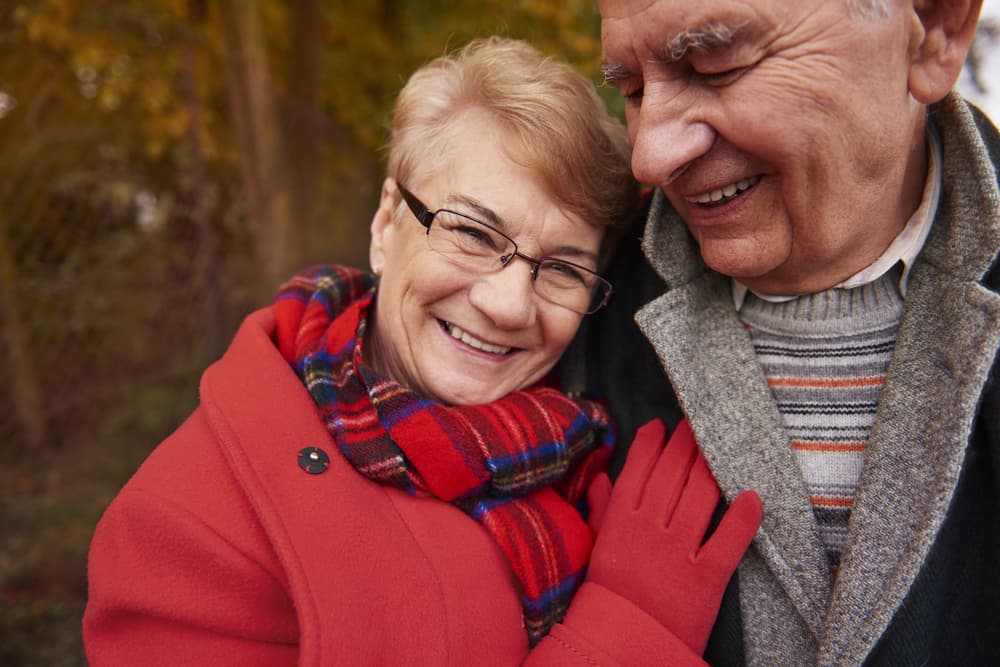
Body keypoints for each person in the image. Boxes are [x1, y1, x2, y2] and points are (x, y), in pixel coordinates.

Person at [84, 37, 762, 666]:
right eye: (470, 231)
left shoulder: (580, 445)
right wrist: (625, 628)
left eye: (561, 268)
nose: (507, 303)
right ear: (386, 223)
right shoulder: (185, 531)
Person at [571, 0, 1000, 664]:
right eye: (629, 89)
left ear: (935, 31)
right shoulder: (563, 305)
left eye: (716, 65)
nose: (650, 157)